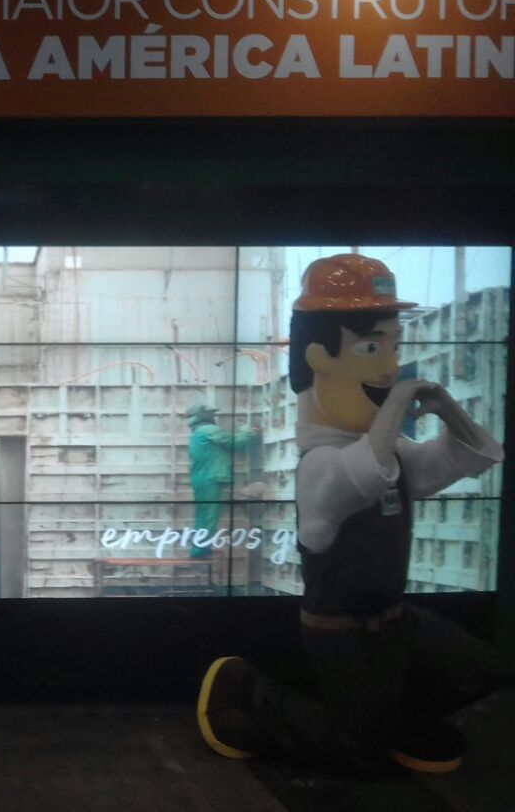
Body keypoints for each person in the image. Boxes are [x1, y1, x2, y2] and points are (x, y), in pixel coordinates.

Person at [197, 253, 505, 774]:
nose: (389, 366)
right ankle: (246, 689)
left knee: (479, 670)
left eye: (393, 347)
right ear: (319, 357)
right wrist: (398, 402)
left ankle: (394, 720)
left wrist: (448, 408)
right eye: (371, 347)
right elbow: (360, 477)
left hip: (395, 621)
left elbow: (468, 457)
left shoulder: (391, 453)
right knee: (356, 749)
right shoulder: (319, 466)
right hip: (340, 633)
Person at [185, 402, 257, 558]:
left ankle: (198, 548)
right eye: (211, 413)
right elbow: (234, 442)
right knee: (210, 516)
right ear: (202, 415)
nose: (213, 416)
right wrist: (247, 431)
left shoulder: (197, 432)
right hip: (210, 478)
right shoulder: (208, 430)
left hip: (201, 477)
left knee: (202, 515)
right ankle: (201, 550)